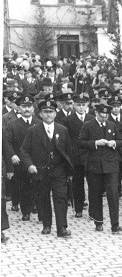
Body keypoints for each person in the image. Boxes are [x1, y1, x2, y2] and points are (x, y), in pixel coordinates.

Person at [19, 98, 73, 237]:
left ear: (55, 114)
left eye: (51, 112)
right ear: (40, 114)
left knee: (60, 198)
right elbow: (24, 150)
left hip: (59, 170)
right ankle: (47, 225)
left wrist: (68, 171)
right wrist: (30, 164)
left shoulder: (62, 129)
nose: (48, 115)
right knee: (43, 198)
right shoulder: (33, 130)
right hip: (41, 171)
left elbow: (68, 151)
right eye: (45, 112)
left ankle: (61, 228)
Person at [79, 103, 122, 233]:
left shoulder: (112, 125)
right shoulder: (88, 125)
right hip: (94, 165)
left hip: (110, 165)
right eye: (101, 116)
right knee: (95, 193)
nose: (104, 118)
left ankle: (115, 224)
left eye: (106, 116)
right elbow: (80, 142)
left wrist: (114, 143)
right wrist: (95, 143)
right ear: (96, 114)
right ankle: (98, 222)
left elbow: (121, 140)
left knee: (113, 193)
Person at [6, 94, 41, 221]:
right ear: (19, 108)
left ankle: (36, 206)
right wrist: (13, 155)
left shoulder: (39, 123)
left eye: (29, 106)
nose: (27, 109)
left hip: (36, 160)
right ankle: (25, 211)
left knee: (37, 185)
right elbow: (7, 143)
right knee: (24, 186)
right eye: (24, 106)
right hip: (20, 161)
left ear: (33, 108)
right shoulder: (12, 124)